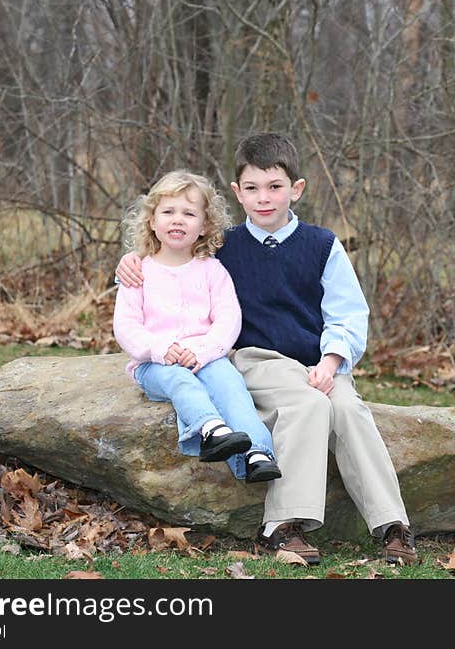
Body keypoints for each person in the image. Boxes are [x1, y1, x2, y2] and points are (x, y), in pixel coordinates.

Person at [117, 135, 417, 565]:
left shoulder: (322, 245)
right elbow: (172, 255)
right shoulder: (224, 246)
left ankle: (392, 523)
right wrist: (128, 262)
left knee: (348, 410)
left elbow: (348, 314)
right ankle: (284, 525)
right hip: (257, 359)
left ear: (296, 189)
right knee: (309, 405)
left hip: (318, 362)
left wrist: (331, 363)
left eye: (275, 186)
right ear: (238, 193)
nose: (263, 198)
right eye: (252, 188)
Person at [113, 168, 281, 484]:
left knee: (232, 387)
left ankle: (258, 452)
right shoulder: (139, 272)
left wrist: (203, 351)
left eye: (189, 213)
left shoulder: (212, 271)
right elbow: (126, 325)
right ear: (152, 220)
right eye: (168, 212)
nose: (178, 220)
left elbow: (228, 319)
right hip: (154, 363)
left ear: (204, 226)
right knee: (181, 382)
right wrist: (159, 349)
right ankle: (209, 429)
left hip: (205, 357)